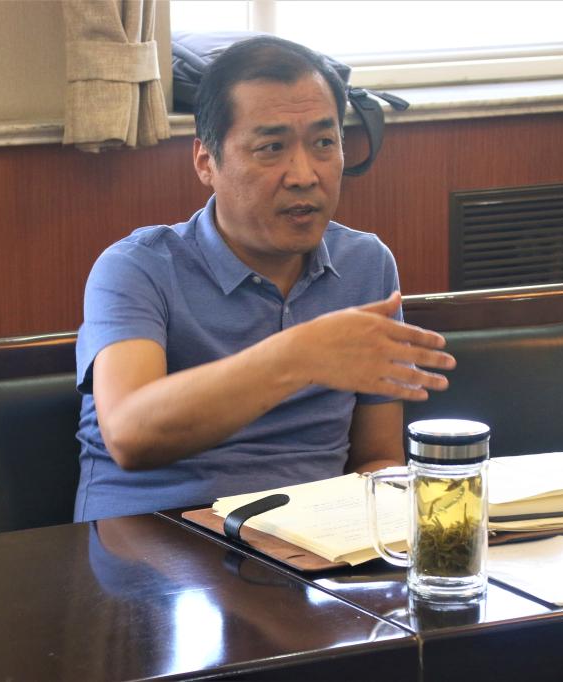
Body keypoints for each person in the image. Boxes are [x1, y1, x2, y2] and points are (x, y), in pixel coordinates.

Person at [73, 36, 455, 522]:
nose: (304, 175)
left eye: (324, 143)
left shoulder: (366, 264)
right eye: (271, 148)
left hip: (311, 543)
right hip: (151, 538)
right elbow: (130, 435)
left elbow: (376, 457)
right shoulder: (137, 267)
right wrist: (299, 355)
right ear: (206, 162)